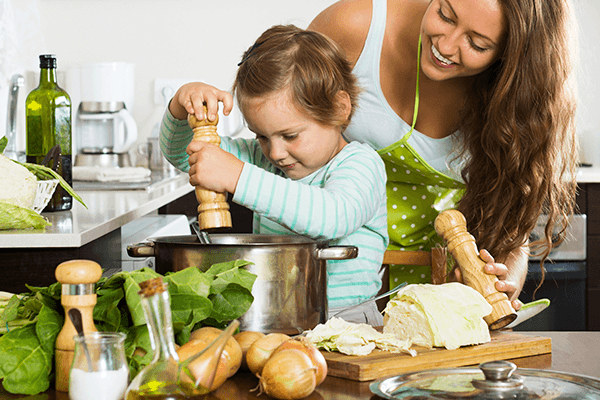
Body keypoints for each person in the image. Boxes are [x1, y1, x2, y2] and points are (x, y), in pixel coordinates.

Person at [306, 0, 579, 310]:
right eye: (444, 15)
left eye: (477, 44)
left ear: (512, 55)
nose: (446, 46)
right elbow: (282, 120)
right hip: (336, 277)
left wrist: (506, 274)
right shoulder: (353, 25)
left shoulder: (520, 103)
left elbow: (512, 227)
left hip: (446, 296)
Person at [160, 24, 389, 324]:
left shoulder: (360, 164)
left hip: (350, 324)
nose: (276, 152)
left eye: (290, 135)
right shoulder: (262, 160)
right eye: (262, 136)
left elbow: (332, 217)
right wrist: (180, 107)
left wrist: (237, 177)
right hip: (273, 319)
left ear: (339, 108)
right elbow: (187, 154)